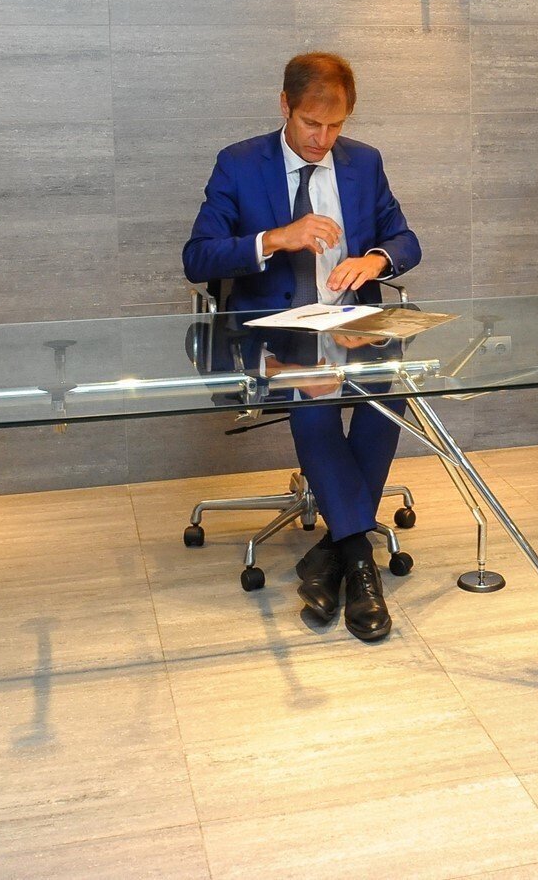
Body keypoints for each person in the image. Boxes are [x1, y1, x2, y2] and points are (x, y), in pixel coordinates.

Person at [182, 53, 421, 643]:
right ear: (285, 105)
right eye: (312, 124)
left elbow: (405, 239)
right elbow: (198, 258)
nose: (323, 139)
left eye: (336, 125)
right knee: (313, 399)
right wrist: (274, 239)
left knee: (387, 394)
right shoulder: (240, 164)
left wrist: (375, 260)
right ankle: (359, 562)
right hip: (271, 333)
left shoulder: (364, 162)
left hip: (352, 323)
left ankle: (333, 553)